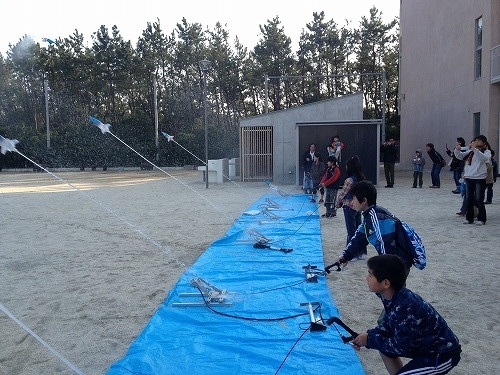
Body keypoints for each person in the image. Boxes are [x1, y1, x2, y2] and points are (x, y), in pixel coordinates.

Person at [351, 255, 461, 375]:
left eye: (370, 275)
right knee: (382, 346)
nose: (367, 278)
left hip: (441, 354)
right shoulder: (392, 296)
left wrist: (369, 340)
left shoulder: (406, 305)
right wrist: (368, 336)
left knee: (382, 343)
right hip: (421, 346)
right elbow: (389, 325)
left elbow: (401, 346)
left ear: (386, 283)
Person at [332, 181, 413, 270]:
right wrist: (346, 256)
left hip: (397, 264)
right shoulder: (369, 215)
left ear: (364, 201)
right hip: (394, 261)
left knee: (393, 284)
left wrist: (387, 269)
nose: (352, 202)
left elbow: (386, 245)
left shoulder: (377, 218)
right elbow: (360, 238)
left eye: (354, 198)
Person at [454, 135, 491, 225]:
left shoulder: (486, 152)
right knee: (469, 199)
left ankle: (481, 219)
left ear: (484, 142)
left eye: (479, 141)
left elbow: (483, 159)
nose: (476, 142)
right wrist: (457, 149)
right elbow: (460, 156)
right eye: (475, 140)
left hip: (479, 178)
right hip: (469, 177)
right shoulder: (470, 152)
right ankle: (469, 218)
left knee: (479, 199)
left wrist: (475, 149)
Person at [335, 156, 367, 261]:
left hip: (349, 207)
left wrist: (337, 202)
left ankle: (351, 254)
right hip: (359, 207)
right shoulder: (361, 178)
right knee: (360, 230)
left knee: (351, 231)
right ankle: (361, 253)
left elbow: (343, 193)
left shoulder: (349, 180)